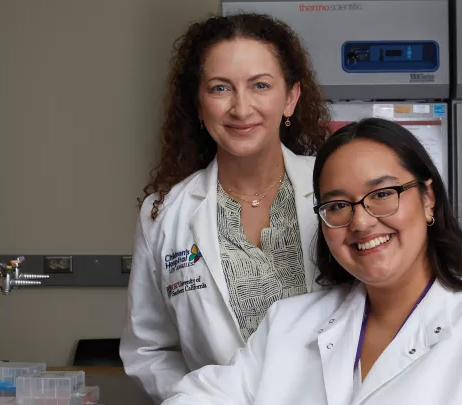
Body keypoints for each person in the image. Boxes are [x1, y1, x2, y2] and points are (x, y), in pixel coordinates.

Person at [160, 118, 462, 405]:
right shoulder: (289, 324)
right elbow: (201, 397)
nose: (360, 221)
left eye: (382, 194)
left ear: (428, 199)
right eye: (337, 205)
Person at [119, 12, 331, 403]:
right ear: (199, 106)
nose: (241, 108)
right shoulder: (164, 213)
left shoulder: (334, 188)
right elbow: (149, 350)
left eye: (260, 85)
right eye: (220, 89)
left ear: (290, 98)